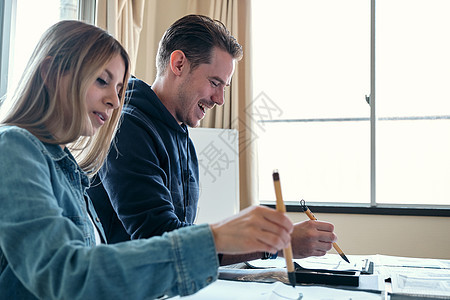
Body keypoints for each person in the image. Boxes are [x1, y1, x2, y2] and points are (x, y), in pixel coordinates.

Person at [0, 20, 295, 299]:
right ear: (51, 73)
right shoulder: (15, 148)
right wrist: (219, 238)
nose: (115, 101)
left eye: (118, 89)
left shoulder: (67, 168)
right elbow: (68, 274)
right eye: (102, 81)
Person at [88, 14, 338, 263]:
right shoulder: (128, 128)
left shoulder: (179, 135)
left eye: (224, 87)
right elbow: (160, 239)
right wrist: (276, 244)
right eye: (214, 82)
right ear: (178, 64)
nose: (220, 99)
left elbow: (183, 233)